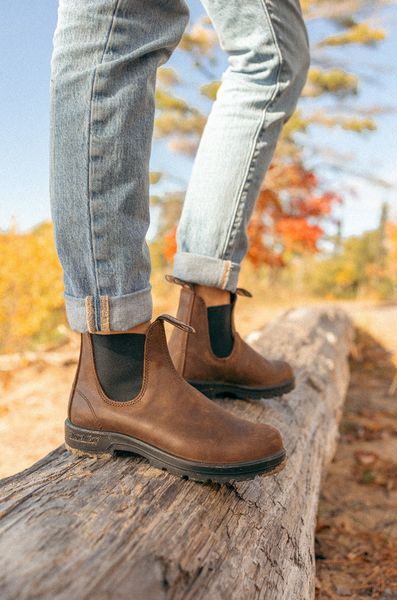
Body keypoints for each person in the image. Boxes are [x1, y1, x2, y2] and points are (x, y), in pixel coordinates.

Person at [49, 0, 310, 482]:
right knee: (123, 17)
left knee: (274, 56)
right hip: (117, 362)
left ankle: (212, 336)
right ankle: (118, 374)